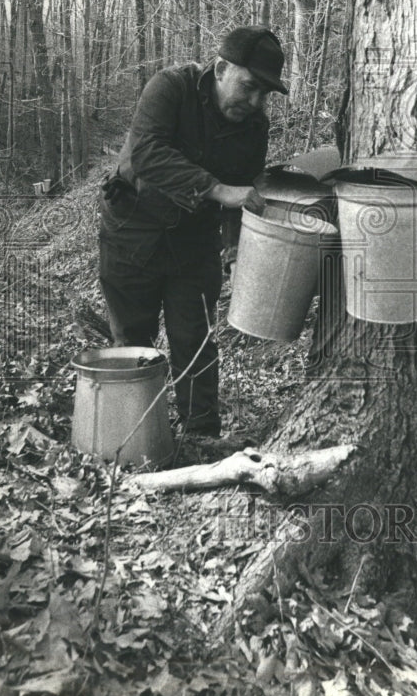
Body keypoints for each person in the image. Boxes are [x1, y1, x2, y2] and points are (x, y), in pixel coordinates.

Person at [98, 26, 288, 437]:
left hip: (196, 243)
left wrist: (236, 253)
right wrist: (215, 188)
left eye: (265, 94)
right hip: (134, 231)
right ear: (221, 68)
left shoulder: (254, 127)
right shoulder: (170, 88)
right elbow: (147, 153)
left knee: (196, 343)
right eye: (250, 87)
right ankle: (132, 441)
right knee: (133, 346)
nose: (256, 101)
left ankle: (202, 439)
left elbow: (246, 192)